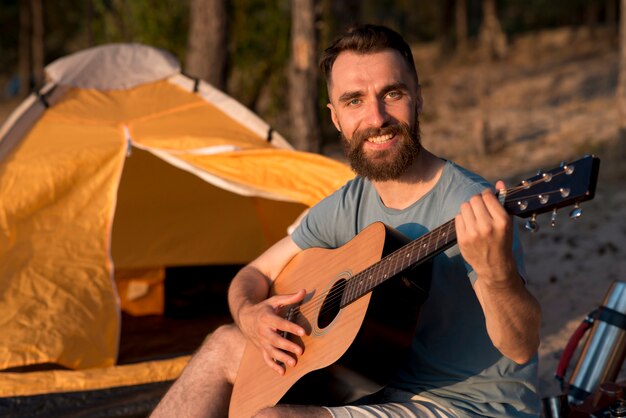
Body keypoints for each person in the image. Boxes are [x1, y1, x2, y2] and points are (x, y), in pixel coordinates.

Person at [150, 24, 541, 418]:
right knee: (222, 343)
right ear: (335, 117)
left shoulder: (469, 204)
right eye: (354, 101)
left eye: (392, 94)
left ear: (418, 97)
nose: (376, 118)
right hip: (372, 384)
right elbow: (253, 274)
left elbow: (522, 345)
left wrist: (497, 274)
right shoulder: (350, 201)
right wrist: (250, 316)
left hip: (468, 407)